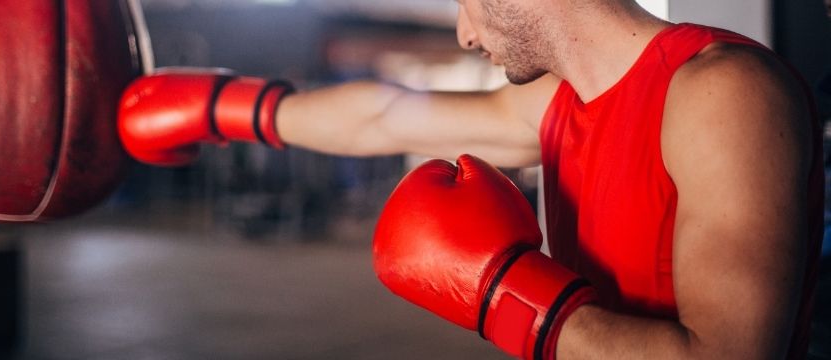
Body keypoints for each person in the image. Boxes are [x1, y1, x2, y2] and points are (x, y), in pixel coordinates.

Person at [117, 0, 824, 358]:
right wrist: (225, 107)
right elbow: (385, 118)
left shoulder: (723, 91)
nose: (462, 31)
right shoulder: (560, 103)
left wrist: (510, 297)